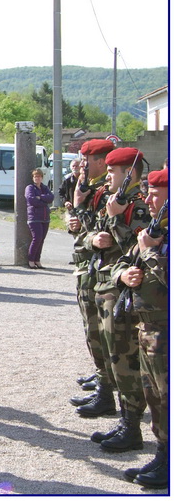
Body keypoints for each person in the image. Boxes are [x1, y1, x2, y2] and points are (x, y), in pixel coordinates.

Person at [84, 147, 151, 451]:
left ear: (130, 173)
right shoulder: (117, 202)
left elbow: (137, 250)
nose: (108, 175)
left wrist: (115, 219)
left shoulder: (137, 207)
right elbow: (95, 235)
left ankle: (132, 426)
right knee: (114, 360)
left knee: (126, 362)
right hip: (106, 285)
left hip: (125, 293)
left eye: (114, 171)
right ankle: (126, 420)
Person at [112, 168, 169, 489]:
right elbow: (123, 260)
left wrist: (148, 252)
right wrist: (123, 275)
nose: (148, 198)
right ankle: (163, 452)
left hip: (165, 329)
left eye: (155, 193)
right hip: (146, 327)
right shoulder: (156, 228)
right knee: (155, 395)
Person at [67, 138, 116, 416]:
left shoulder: (107, 194)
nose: (83, 166)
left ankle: (107, 390)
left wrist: (80, 217)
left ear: (100, 160)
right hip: (89, 268)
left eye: (87, 161)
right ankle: (103, 382)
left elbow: (101, 238)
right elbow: (86, 231)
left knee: (102, 335)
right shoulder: (92, 190)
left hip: (101, 271)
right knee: (93, 331)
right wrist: (76, 209)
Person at [25, 168, 54, 269]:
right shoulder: (30, 188)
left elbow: (51, 197)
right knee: (36, 238)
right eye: (35, 176)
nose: (37, 178)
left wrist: (40, 197)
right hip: (34, 217)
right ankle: (31, 260)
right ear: (33, 178)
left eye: (39, 176)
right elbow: (32, 200)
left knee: (42, 240)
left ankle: (37, 260)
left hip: (45, 217)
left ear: (42, 177)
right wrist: (44, 201)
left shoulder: (44, 187)